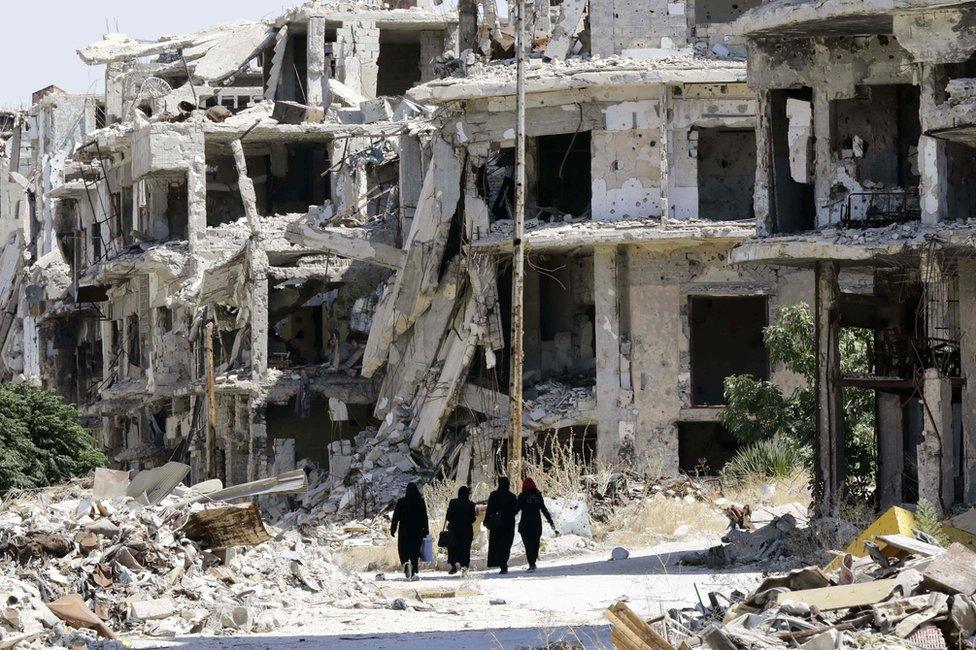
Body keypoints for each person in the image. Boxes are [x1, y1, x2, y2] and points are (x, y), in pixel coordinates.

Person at [516, 477, 557, 572]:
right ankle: (533, 562)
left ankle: (531, 564)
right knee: (535, 544)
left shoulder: (522, 497)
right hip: (536, 524)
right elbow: (544, 510)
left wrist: (507, 518)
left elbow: (516, 509)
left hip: (525, 525)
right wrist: (551, 522)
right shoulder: (538, 496)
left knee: (528, 545)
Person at [390, 482, 429, 580]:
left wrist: (393, 529)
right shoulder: (420, 501)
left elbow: (395, 517)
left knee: (403, 550)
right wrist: (426, 530)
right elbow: (424, 517)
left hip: (404, 531)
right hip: (417, 531)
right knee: (414, 551)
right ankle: (413, 568)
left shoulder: (401, 502)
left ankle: (406, 565)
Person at [485, 476, 518, 574]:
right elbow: (515, 510)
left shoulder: (494, 495)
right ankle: (504, 563)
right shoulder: (512, 496)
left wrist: (486, 520)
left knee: (497, 543)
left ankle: (501, 563)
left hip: (497, 524)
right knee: (506, 544)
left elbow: (489, 509)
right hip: (509, 523)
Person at [444, 485, 477, 575]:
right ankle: (464, 568)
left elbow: (449, 516)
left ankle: (453, 566)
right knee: (465, 549)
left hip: (454, 530)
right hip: (467, 531)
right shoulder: (471, 504)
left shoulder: (453, 502)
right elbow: (473, 519)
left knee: (453, 548)